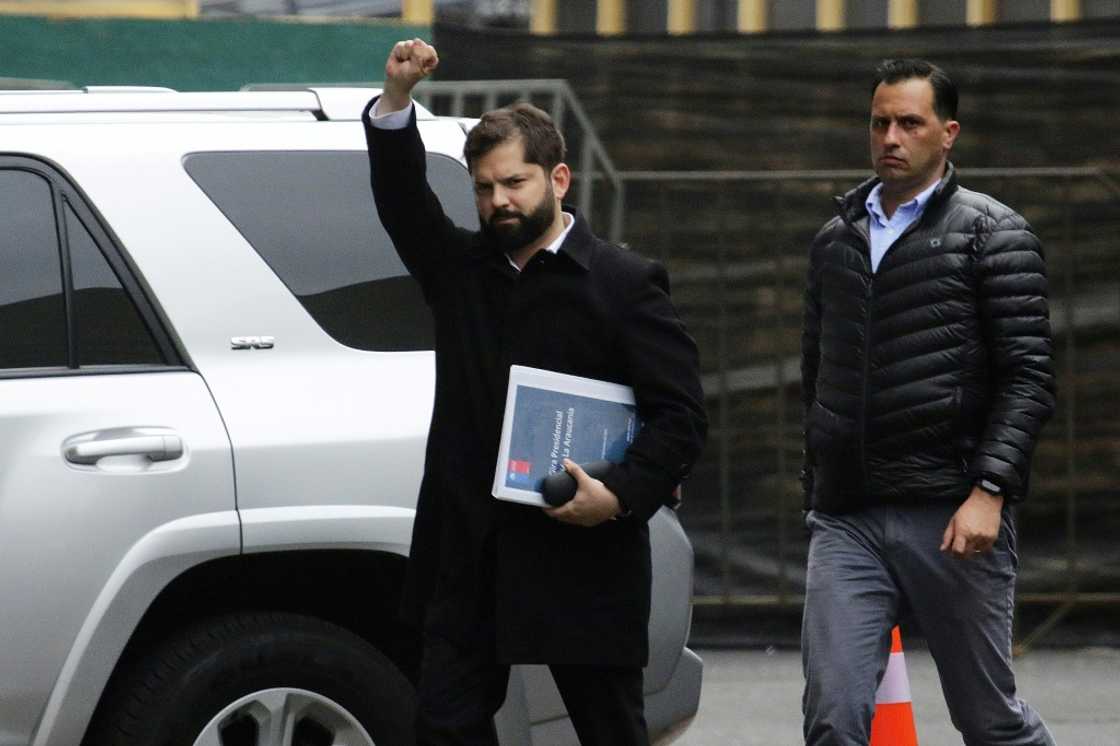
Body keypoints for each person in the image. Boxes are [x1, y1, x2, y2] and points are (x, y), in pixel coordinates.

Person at [362, 39, 707, 746]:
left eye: (514, 183)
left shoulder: (623, 283)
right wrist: (395, 102)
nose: (498, 202)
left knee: (609, 730)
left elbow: (680, 417)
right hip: (470, 554)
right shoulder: (460, 270)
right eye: (484, 187)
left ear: (559, 178)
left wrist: (616, 494)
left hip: (582, 552)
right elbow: (401, 203)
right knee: (444, 727)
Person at [799, 59, 1057, 745]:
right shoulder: (836, 239)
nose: (890, 136)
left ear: (948, 134)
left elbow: (1028, 377)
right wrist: (817, 486)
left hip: (953, 515)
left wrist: (991, 490)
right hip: (847, 518)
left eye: (909, 123)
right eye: (880, 121)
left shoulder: (994, 233)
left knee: (988, 721)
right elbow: (817, 373)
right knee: (832, 716)